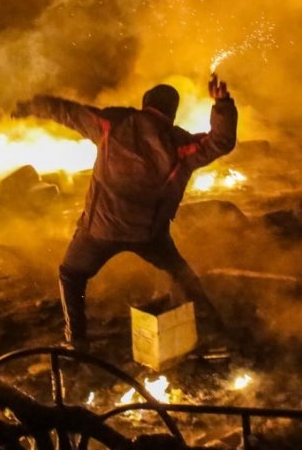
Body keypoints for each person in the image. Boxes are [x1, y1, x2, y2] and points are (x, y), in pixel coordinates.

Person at [13, 75, 238, 350]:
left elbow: (69, 112)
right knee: (180, 274)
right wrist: (222, 104)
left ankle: (76, 341)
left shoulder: (114, 123)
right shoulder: (179, 144)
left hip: (99, 230)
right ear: (172, 113)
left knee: (71, 276)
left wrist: (32, 105)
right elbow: (221, 141)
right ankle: (215, 327)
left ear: (145, 104)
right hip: (149, 233)